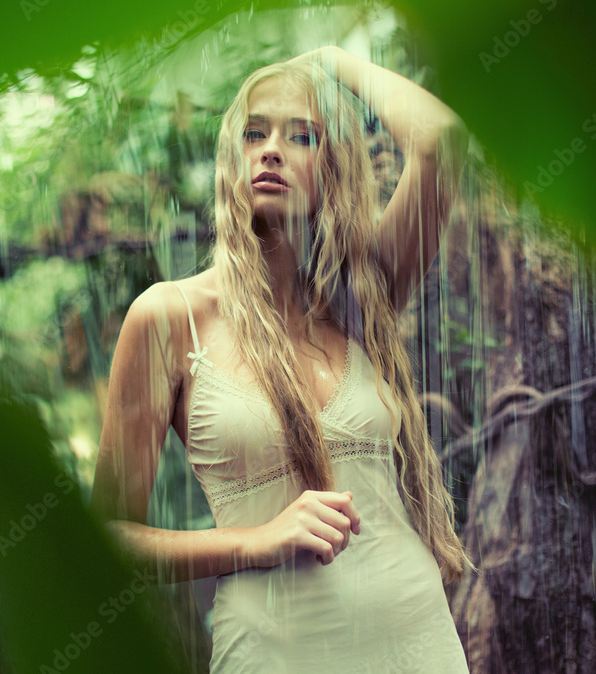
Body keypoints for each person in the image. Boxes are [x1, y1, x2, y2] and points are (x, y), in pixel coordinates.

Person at [90, 45, 473, 672]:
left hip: (417, 638)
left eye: (302, 136)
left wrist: (333, 60)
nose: (271, 149)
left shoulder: (362, 300)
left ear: (334, 169)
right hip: (275, 650)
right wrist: (257, 540)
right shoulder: (168, 317)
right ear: (232, 162)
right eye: (254, 132)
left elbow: (442, 142)